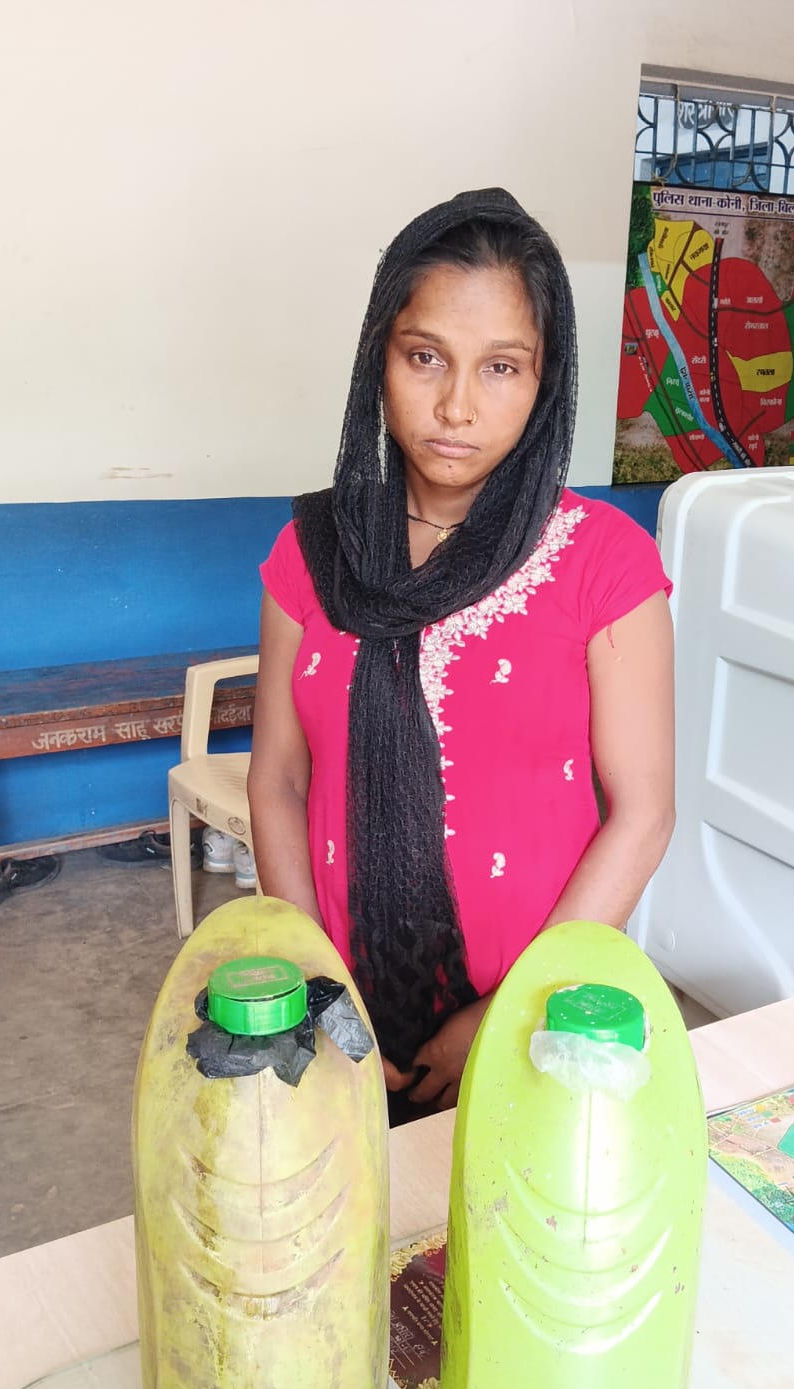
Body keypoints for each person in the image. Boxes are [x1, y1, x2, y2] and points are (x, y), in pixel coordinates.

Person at [248, 187, 674, 1121]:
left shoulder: (604, 563)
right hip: (343, 1014)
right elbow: (276, 779)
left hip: (542, 1021)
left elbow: (643, 813)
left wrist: (505, 1014)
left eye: (502, 367)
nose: (456, 405)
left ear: (545, 382)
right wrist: (320, 988)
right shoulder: (310, 554)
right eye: (425, 356)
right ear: (380, 357)